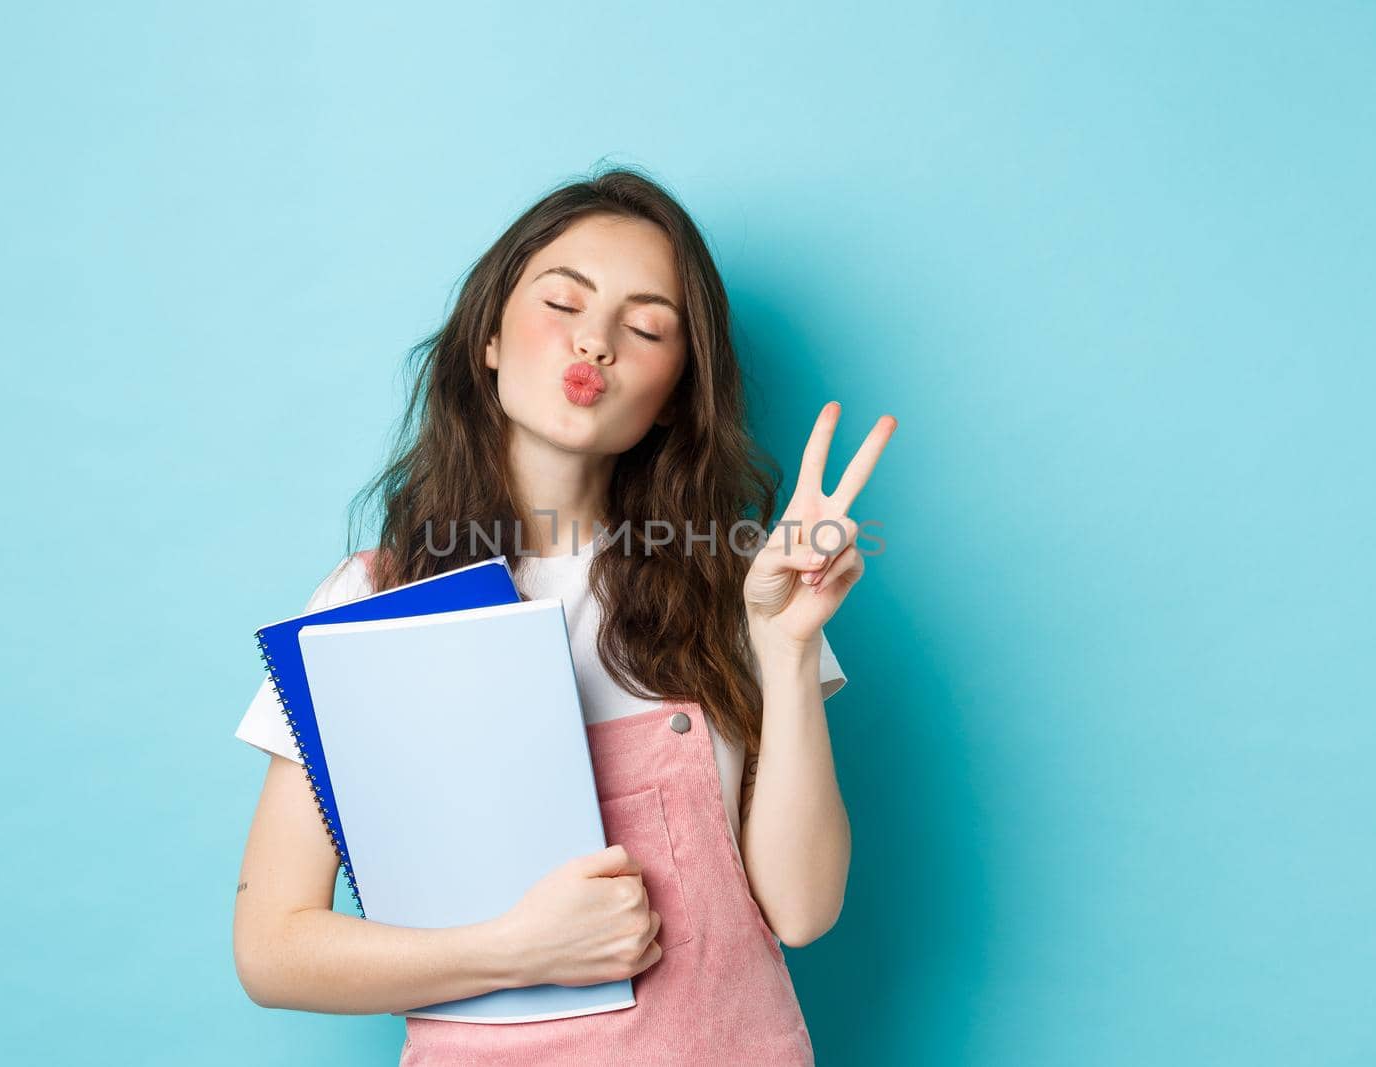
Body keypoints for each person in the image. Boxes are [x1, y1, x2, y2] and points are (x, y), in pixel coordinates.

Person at [231, 165, 897, 1063]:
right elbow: (272, 947)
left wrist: (785, 646)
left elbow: (805, 909)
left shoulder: (748, 583)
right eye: (564, 304)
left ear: (674, 396)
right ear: (489, 339)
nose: (598, 345)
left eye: (647, 326)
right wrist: (516, 949)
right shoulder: (371, 601)